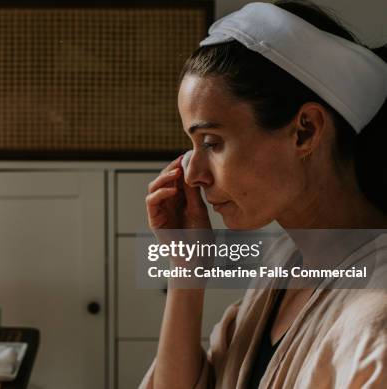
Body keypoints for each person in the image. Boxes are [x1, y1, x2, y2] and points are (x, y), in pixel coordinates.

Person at [140, 1, 387, 388]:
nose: (194, 172)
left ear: (305, 130)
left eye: (212, 142)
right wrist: (186, 269)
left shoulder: (376, 321)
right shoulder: (283, 266)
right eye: (193, 144)